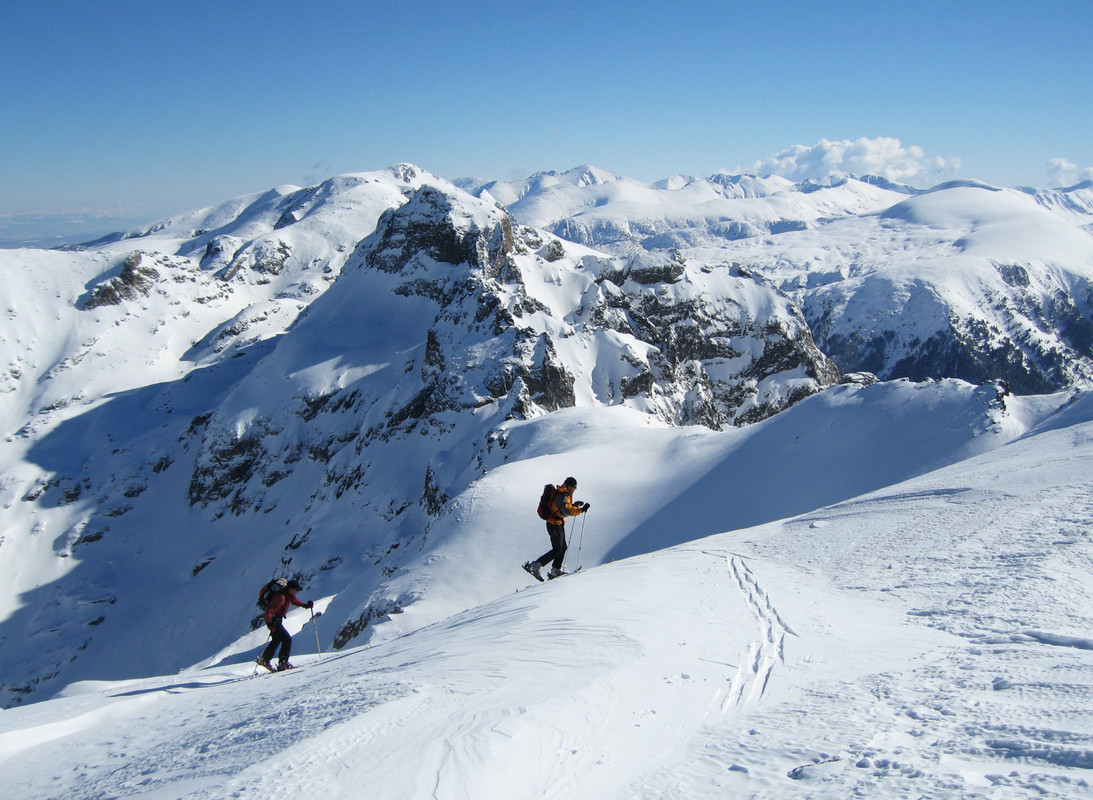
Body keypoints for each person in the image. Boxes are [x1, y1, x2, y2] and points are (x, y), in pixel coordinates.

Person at [523, 477, 589, 581]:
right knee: (557, 549)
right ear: (569, 486)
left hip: (558, 523)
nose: (574, 489)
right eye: (574, 487)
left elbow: (563, 507)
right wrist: (580, 510)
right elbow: (566, 510)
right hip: (554, 524)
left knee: (563, 547)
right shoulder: (562, 494)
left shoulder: (565, 494)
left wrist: (575, 505)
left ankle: (555, 570)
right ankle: (535, 565)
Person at [257, 578, 313, 671]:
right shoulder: (281, 597)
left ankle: (265, 660)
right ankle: (283, 663)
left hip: (275, 620)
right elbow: (270, 610)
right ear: (291, 589)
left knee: (276, 640)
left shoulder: (287, 595)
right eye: (296, 590)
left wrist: (305, 605)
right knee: (287, 640)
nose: (296, 592)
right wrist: (270, 623)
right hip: (274, 621)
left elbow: (294, 601)